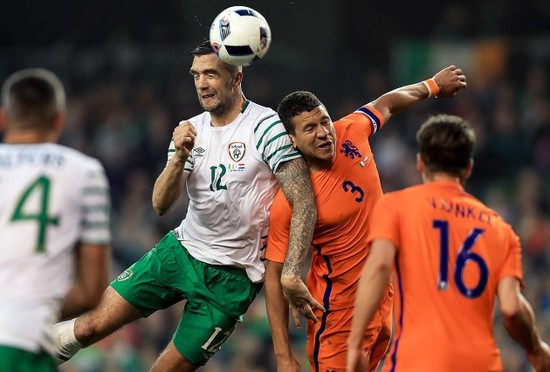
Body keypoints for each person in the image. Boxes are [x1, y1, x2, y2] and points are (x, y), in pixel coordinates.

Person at [52, 40, 317, 371]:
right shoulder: (191, 131)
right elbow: (160, 205)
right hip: (178, 252)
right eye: (196, 76)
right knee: (88, 327)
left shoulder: (265, 126)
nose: (202, 84)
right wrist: (179, 157)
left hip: (230, 281)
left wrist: (292, 270)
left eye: (210, 74)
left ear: (236, 78)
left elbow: (303, 197)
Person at [266, 66, 467, 372]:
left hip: (382, 298)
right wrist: (283, 355)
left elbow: (387, 103)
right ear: (291, 140)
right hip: (338, 318)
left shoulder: (352, 130)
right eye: (309, 129)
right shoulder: (290, 201)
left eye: (324, 121)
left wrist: (433, 85)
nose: (323, 132)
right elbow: (274, 273)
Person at [346, 114, 550, 372]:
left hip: (417, 362)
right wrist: (536, 348)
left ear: (421, 163)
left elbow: (377, 268)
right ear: (468, 168)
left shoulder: (396, 207)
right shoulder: (499, 228)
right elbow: (511, 306)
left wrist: (355, 344)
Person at [0, 68, 111, 370]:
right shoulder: (85, 173)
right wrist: (35, 307)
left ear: (3, 118)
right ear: (59, 120)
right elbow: (91, 290)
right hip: (24, 340)